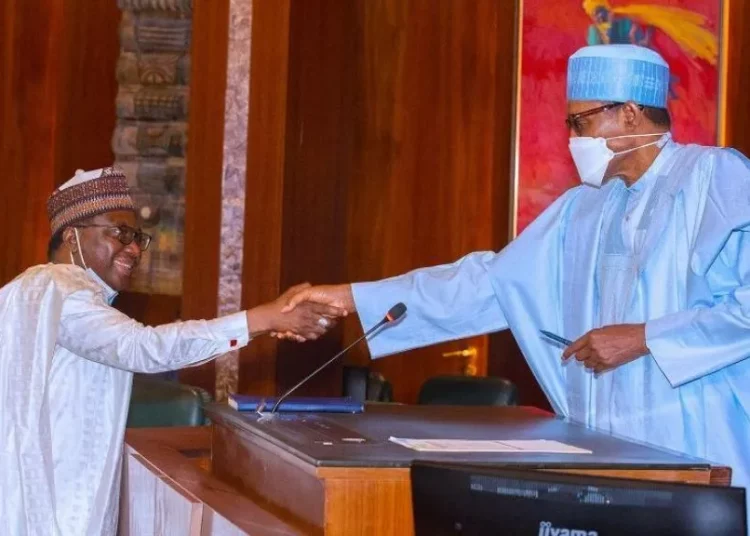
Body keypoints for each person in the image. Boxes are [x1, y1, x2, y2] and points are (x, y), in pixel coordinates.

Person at [283, 45, 750, 508]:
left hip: (702, 443)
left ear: (629, 114)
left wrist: (646, 337)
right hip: (613, 449)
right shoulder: (584, 206)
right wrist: (351, 297)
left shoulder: (716, 177)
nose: (573, 138)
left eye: (581, 122)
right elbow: (490, 282)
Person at [0, 167, 345, 536]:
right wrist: (260, 319)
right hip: (57, 507)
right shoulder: (60, 289)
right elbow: (144, 348)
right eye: (120, 234)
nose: (134, 249)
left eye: (137, 238)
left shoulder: (34, 289)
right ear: (72, 237)